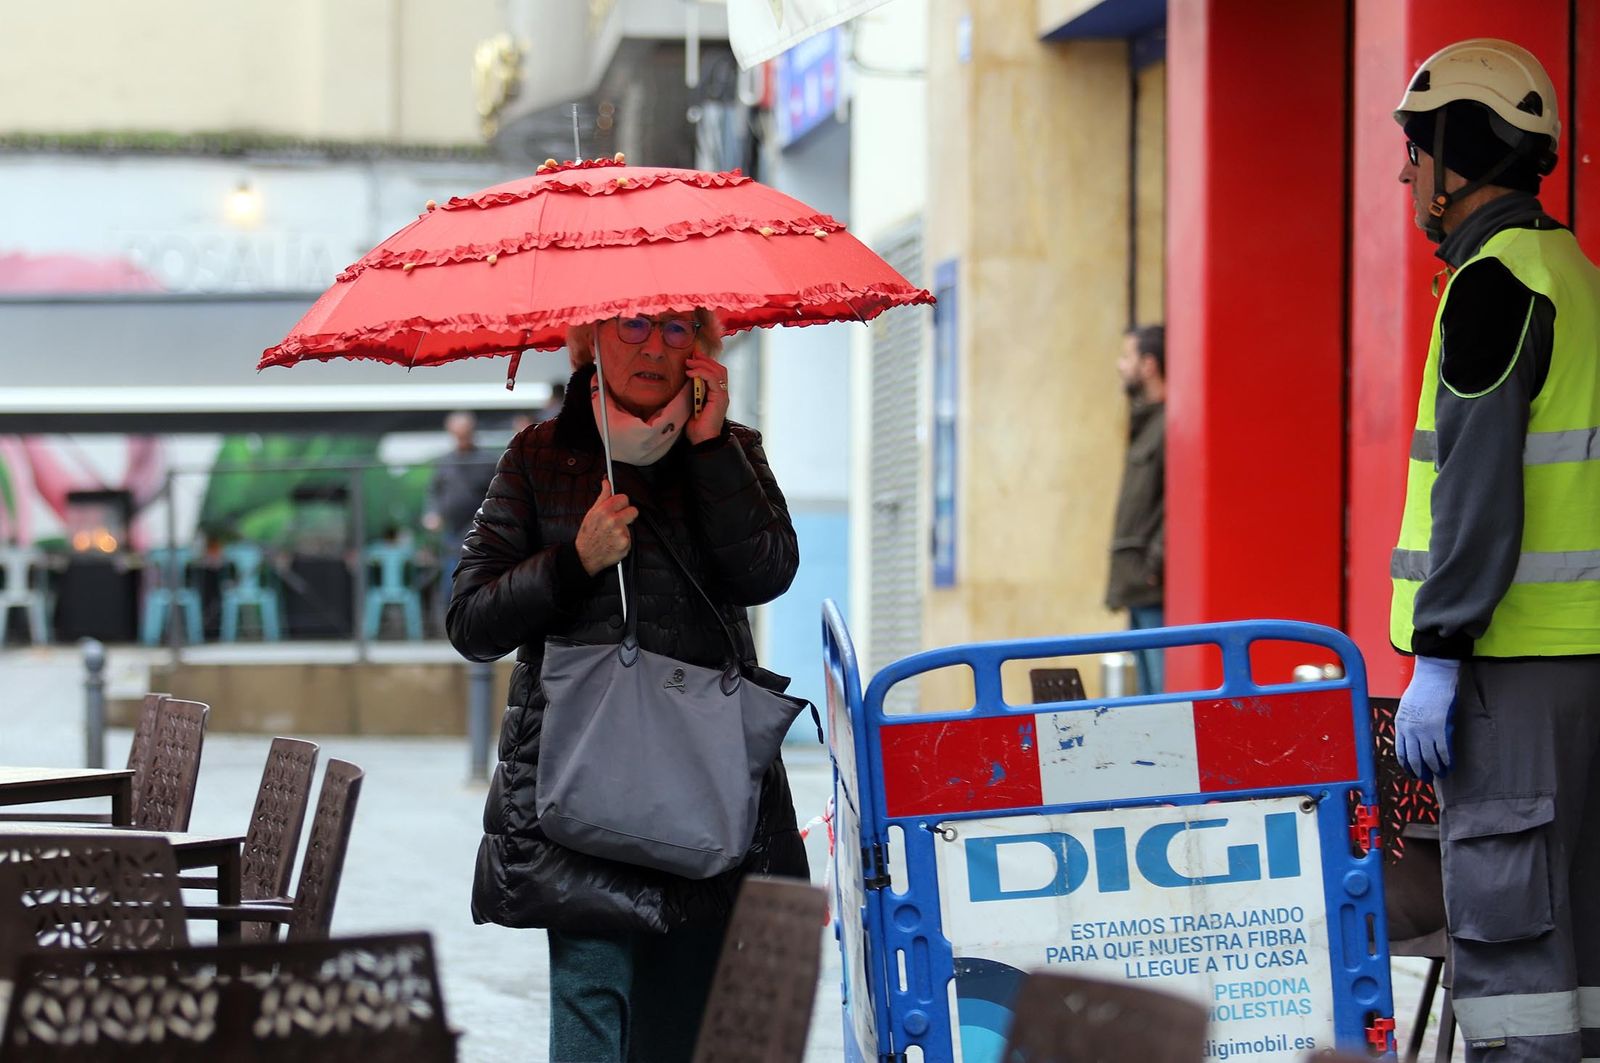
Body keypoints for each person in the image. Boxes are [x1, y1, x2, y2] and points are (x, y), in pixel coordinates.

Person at [445, 309, 807, 1062]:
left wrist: (711, 452)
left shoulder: (733, 448)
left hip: (702, 783)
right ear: (591, 340)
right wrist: (573, 561)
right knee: (591, 994)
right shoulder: (540, 455)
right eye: (634, 325)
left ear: (701, 349)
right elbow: (471, 620)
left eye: (677, 329)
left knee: (679, 1018)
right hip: (580, 784)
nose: (654, 346)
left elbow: (767, 573)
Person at [1389, 39, 1600, 1061]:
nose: (1406, 176)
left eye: (1415, 151)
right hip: (1576, 662)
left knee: (1515, 947)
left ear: (1460, 155)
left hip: (1510, 670)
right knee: (1578, 932)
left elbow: (1475, 488)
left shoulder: (1496, 282)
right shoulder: (1573, 273)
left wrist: (1439, 648)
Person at [1106, 323, 1166, 694]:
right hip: (1139, 585)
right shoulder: (1146, 424)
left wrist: (1154, 566)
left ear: (1149, 364)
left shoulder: (1168, 424)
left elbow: (1177, 506)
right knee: (1146, 700)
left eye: (1128, 356)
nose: (1120, 365)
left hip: (1152, 585)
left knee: (1163, 697)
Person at [423, 411, 498, 614]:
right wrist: (432, 513)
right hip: (451, 530)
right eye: (457, 435)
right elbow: (434, 491)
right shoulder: (445, 461)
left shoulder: (487, 461)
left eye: (464, 434)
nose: (461, 439)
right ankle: (450, 614)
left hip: (478, 528)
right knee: (451, 573)